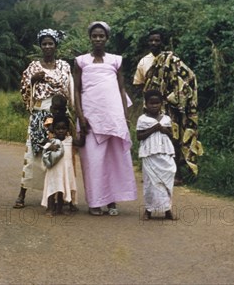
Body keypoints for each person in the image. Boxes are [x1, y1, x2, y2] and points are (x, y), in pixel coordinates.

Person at [74, 21, 138, 216]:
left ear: (107, 38)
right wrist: (80, 116)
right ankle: (94, 202)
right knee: (93, 161)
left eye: (101, 36)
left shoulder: (115, 61)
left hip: (113, 118)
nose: (98, 39)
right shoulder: (81, 61)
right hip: (90, 119)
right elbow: (76, 90)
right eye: (95, 36)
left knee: (114, 160)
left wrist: (125, 118)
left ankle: (111, 201)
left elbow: (121, 88)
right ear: (90, 38)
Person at [13, 28, 73, 209]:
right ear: (40, 46)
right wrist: (33, 81)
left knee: (62, 156)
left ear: (56, 46)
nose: (48, 46)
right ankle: (22, 193)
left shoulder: (64, 66)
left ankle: (64, 197)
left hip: (61, 116)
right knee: (34, 154)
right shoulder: (33, 67)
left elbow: (69, 90)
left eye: (51, 43)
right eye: (44, 43)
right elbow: (24, 91)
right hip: (40, 114)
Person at [138, 30, 204, 183]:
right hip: (151, 107)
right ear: (148, 42)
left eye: (157, 40)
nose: (154, 43)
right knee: (151, 138)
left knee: (172, 139)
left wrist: (176, 97)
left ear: (162, 42)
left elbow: (189, 77)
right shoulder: (143, 62)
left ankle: (176, 174)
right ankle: (153, 171)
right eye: (151, 40)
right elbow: (141, 85)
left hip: (170, 108)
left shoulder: (173, 60)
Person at [137, 89, 176, 220]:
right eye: (151, 103)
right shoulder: (142, 119)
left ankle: (167, 210)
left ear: (161, 103)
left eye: (157, 103)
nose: (154, 106)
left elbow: (171, 135)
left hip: (165, 153)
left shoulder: (166, 119)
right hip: (150, 155)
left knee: (167, 180)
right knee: (150, 183)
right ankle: (148, 210)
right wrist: (153, 129)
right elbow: (139, 136)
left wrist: (163, 129)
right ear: (146, 104)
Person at [41, 115, 84, 216]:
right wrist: (50, 146)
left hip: (66, 171)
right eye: (58, 129)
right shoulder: (52, 141)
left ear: (68, 129)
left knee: (63, 189)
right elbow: (43, 146)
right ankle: (50, 208)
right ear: (54, 129)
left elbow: (81, 143)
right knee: (52, 188)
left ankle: (60, 208)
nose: (61, 131)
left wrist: (83, 132)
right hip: (54, 170)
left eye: (63, 128)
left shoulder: (70, 140)